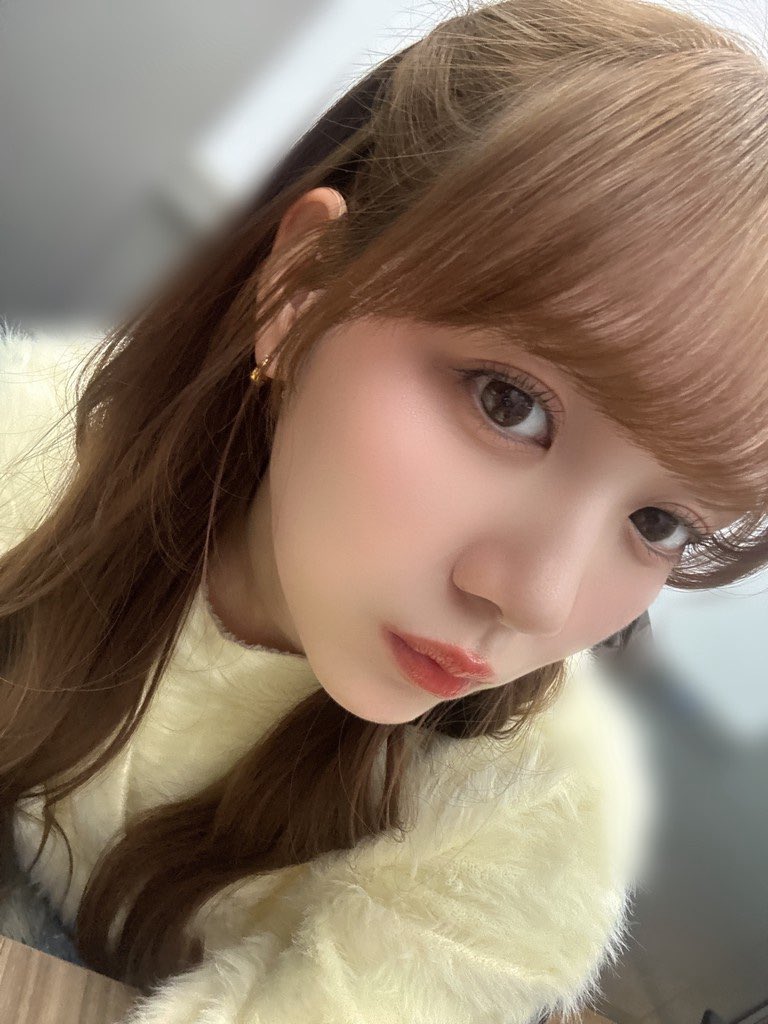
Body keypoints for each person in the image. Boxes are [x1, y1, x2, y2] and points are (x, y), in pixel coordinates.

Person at [1, 0, 767, 1020]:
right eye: (510, 403)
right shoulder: (30, 448)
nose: (536, 600)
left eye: (661, 522)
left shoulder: (532, 831)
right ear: (300, 289)